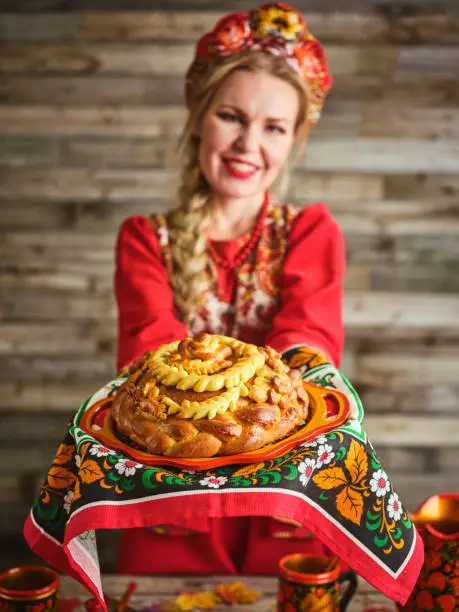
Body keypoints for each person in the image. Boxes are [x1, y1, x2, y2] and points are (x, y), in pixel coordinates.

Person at [114, 2, 345, 574]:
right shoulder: (146, 238)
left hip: (284, 488)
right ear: (198, 116)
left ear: (294, 140)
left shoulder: (311, 230)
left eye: (273, 127)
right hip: (172, 485)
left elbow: (307, 336)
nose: (249, 143)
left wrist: (249, 413)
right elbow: (151, 348)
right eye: (232, 116)